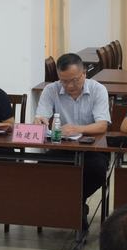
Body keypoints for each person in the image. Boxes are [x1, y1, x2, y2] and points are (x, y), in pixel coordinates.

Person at [34, 53, 110, 228]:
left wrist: (78, 129)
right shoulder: (51, 90)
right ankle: (73, 207)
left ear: (84, 73)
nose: (69, 86)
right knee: (41, 169)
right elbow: (41, 116)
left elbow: (102, 125)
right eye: (64, 81)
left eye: (74, 80)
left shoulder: (98, 90)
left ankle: (75, 205)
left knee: (97, 171)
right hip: (62, 147)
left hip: (92, 150)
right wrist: (40, 121)